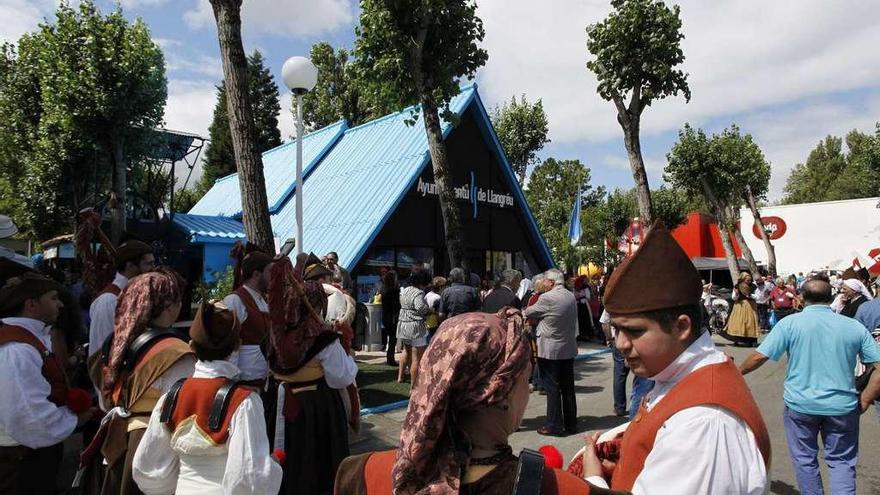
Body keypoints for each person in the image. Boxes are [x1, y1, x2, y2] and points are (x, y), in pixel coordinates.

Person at [579, 222, 770, 494]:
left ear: (681, 327)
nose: (620, 344)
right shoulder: (680, 377)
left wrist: (593, 481)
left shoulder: (704, 423)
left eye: (634, 331)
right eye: (617, 329)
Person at [333, 310, 588, 494]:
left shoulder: (359, 473)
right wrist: (597, 475)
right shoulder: (558, 487)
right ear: (500, 393)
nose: (529, 391)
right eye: (525, 379)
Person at [740, 278, 880, 495]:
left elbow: (759, 357)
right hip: (842, 406)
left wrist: (735, 372)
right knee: (842, 462)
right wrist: (866, 398)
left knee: (805, 460)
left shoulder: (790, 324)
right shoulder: (854, 327)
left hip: (801, 405)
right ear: (832, 297)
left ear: (802, 298)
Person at [132, 301, 282, 494]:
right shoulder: (244, 402)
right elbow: (251, 478)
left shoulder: (170, 398)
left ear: (191, 346)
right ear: (237, 346)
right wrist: (273, 465)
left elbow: (148, 469)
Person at [97, 269, 197, 495]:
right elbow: (185, 408)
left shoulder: (116, 343)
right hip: (153, 444)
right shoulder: (174, 351)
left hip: (118, 440)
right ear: (168, 305)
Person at [267, 254, 358, 495]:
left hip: (279, 404)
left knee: (289, 458)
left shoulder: (276, 334)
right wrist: (349, 358)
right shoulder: (323, 339)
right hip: (315, 409)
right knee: (315, 463)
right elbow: (341, 377)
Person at [0, 273, 97, 494]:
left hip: (26, 453)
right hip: (20, 458)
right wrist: (73, 419)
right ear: (31, 305)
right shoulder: (17, 350)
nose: (60, 304)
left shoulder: (27, 341)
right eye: (53, 298)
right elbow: (28, 417)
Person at [88, 240, 155, 402]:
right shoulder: (109, 301)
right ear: (131, 266)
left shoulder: (134, 295)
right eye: (148, 264)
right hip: (115, 393)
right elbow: (102, 353)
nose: (153, 270)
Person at [523, 269, 578, 436]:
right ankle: (571, 423)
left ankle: (553, 424)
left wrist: (537, 295)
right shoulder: (570, 295)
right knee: (568, 387)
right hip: (567, 348)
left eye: (545, 280)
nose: (543, 283)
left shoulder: (547, 297)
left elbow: (529, 311)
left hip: (550, 350)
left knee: (552, 388)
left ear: (552, 282)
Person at [223, 248, 274, 387]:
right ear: (257, 274)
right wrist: (231, 383)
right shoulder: (234, 301)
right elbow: (230, 344)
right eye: (270, 272)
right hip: (242, 383)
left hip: (262, 382)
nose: (272, 277)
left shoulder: (263, 300)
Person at [599, 308, 651, 418]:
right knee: (641, 380)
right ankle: (633, 413)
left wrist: (610, 338)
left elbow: (604, 323)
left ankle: (620, 408)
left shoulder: (616, 301)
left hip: (623, 342)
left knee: (622, 375)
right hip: (634, 342)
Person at [397, 271, 430, 385]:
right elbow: (420, 307)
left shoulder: (404, 290)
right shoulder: (418, 292)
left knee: (405, 350)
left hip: (403, 323)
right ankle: (413, 384)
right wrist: (429, 310)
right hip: (415, 325)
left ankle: (400, 377)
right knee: (416, 357)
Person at [722, 271, 760, 346]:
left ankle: (750, 341)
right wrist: (736, 293)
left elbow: (758, 297)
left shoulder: (753, 286)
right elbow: (734, 298)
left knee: (750, 323)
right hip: (739, 306)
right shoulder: (737, 286)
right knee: (738, 322)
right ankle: (738, 340)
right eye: (747, 280)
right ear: (743, 279)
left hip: (750, 306)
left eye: (749, 280)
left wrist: (750, 295)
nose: (749, 281)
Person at [379, 271, 400, 367]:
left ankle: (390, 357)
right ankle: (390, 359)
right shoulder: (393, 291)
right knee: (392, 339)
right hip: (392, 317)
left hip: (386, 316)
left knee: (391, 339)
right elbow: (396, 305)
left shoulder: (383, 289)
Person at [424, 276, 446, 341]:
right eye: (445, 286)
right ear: (440, 287)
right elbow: (439, 313)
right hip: (434, 323)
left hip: (427, 323)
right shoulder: (438, 298)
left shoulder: (428, 294)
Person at [573, 275, 593, 342]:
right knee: (584, 320)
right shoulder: (585, 288)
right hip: (583, 306)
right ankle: (585, 335)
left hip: (580, 305)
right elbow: (588, 297)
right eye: (585, 279)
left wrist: (578, 296)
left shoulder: (576, 287)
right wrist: (581, 295)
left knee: (582, 320)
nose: (586, 280)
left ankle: (583, 334)